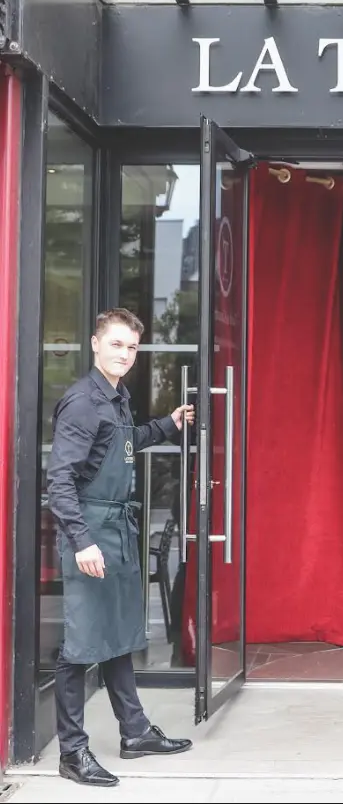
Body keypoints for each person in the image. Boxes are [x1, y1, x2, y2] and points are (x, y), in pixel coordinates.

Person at [46, 308, 196, 787]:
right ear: (95, 343)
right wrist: (82, 541)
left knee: (115, 636)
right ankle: (73, 752)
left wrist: (168, 424)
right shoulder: (83, 403)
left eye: (132, 347)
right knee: (80, 644)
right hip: (91, 531)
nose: (125, 354)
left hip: (115, 530)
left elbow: (126, 442)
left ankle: (134, 732)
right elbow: (59, 481)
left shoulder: (117, 399)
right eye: (116, 344)